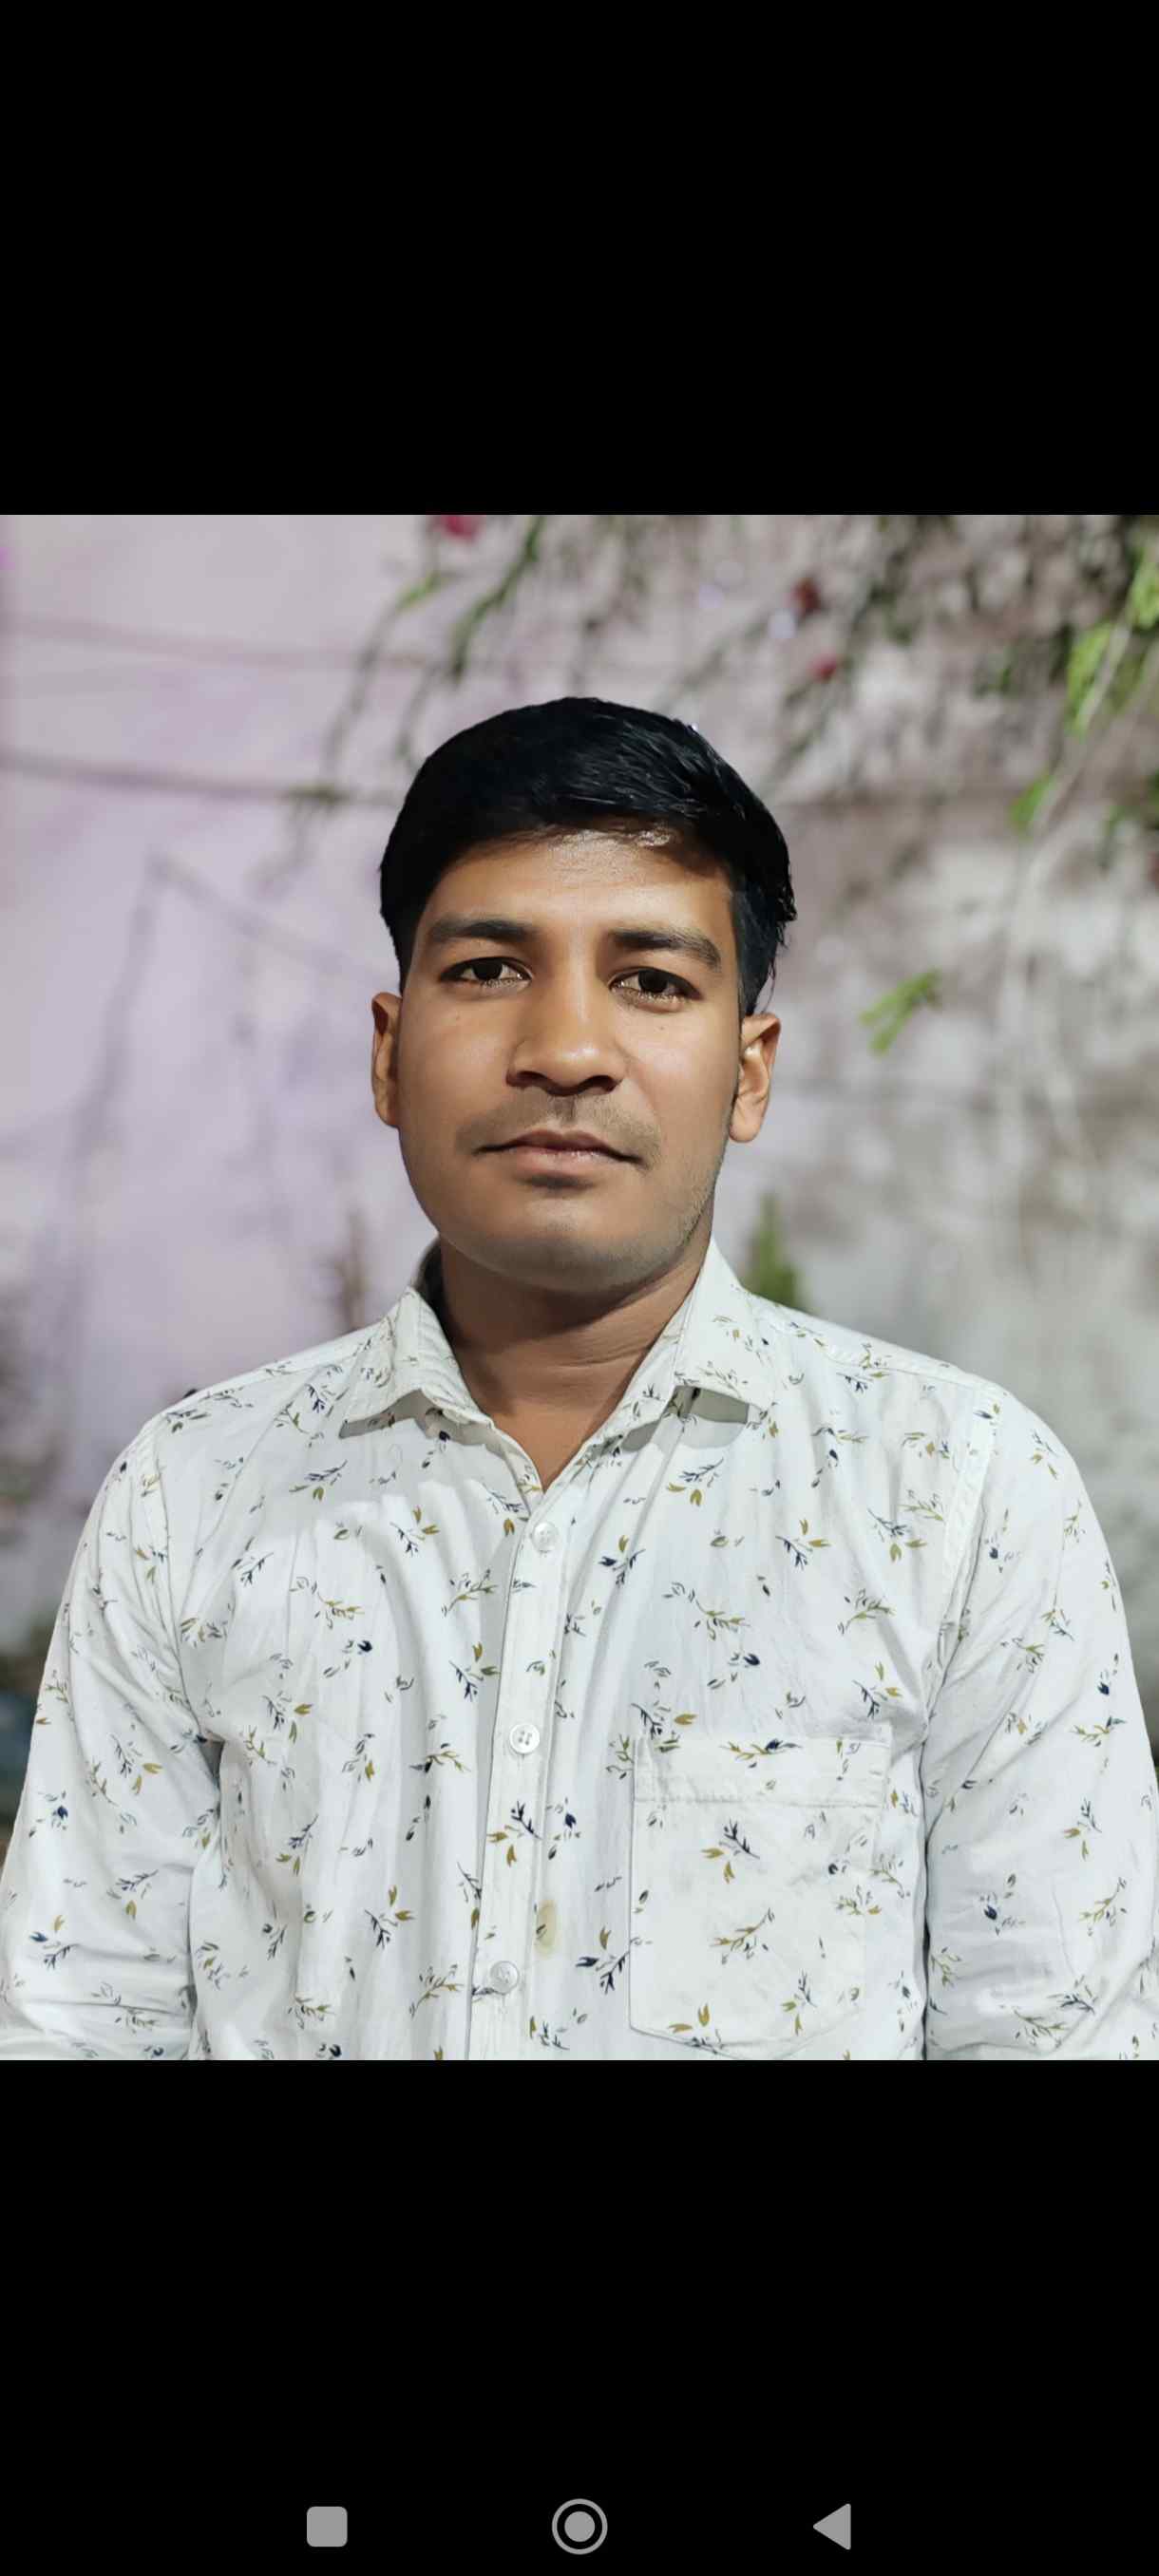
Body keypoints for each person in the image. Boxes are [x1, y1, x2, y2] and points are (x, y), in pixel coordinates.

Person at [1, 696, 1156, 2060]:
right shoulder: (196, 1493)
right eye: (491, 968)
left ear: (749, 1072)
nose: (564, 1049)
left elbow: (1054, 2026)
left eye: (651, 981)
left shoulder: (957, 1494)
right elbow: (79, 2014)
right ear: (388, 1051)